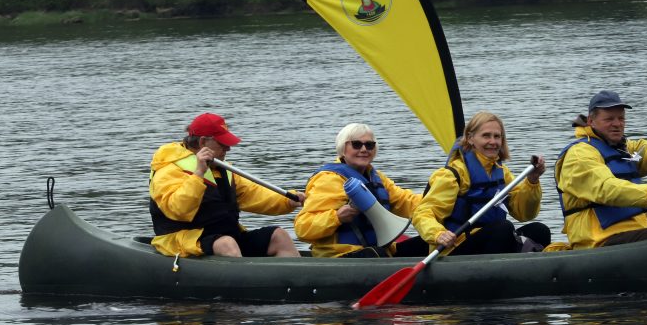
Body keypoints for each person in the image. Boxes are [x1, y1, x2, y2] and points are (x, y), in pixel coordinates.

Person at [149, 113, 303, 259]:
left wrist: (288, 200)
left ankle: (300, 281)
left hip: (225, 237)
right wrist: (198, 174)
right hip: (184, 240)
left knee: (279, 235)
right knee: (227, 244)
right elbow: (178, 209)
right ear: (202, 142)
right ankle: (247, 284)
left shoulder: (223, 170)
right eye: (222, 143)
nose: (228, 148)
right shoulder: (167, 171)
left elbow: (255, 194)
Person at [552, 90, 647, 249]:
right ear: (591, 121)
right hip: (598, 241)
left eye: (621, 118)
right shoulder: (579, 155)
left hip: (635, 231)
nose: (617, 123)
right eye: (609, 119)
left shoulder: (625, 150)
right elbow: (605, 188)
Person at [412, 111, 550, 255]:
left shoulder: (502, 173)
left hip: (491, 239)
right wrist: (438, 234)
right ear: (471, 138)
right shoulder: (453, 174)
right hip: (455, 246)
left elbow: (525, 214)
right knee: (504, 228)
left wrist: (532, 181)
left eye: (497, 136)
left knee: (540, 231)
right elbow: (422, 213)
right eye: (486, 135)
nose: (493, 142)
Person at [294, 123, 427, 258]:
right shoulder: (329, 180)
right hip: (340, 256)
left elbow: (407, 201)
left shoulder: (377, 178)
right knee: (376, 253)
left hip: (379, 252)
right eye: (356, 144)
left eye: (369, 145)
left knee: (428, 243)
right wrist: (336, 217)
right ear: (343, 148)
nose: (364, 149)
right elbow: (303, 228)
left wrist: (437, 198)